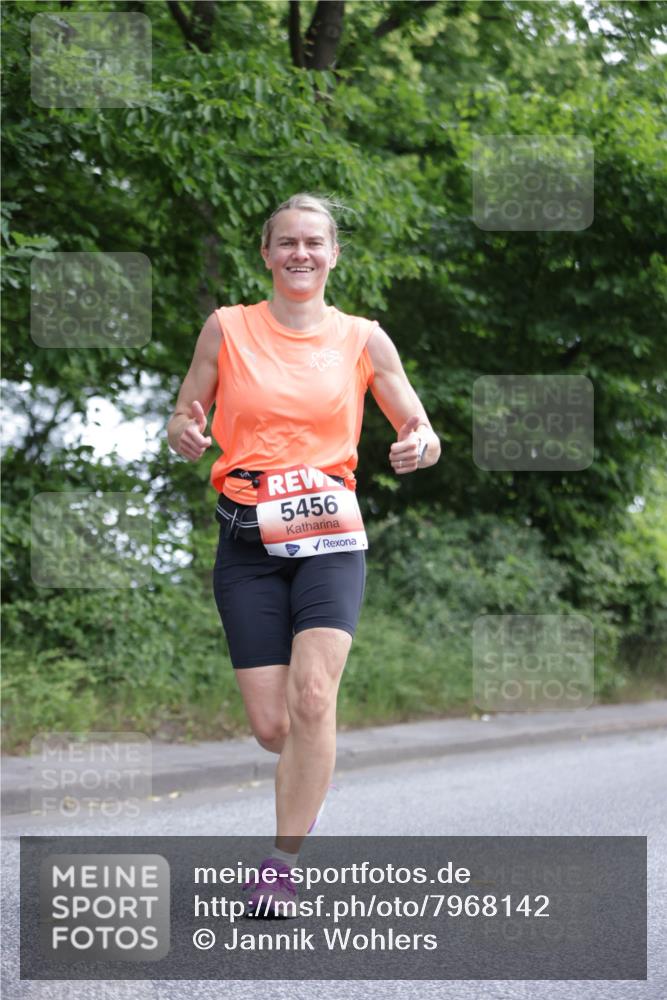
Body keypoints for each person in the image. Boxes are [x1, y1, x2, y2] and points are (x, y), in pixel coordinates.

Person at [167, 192, 440, 915]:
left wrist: (418, 443)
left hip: (328, 536)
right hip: (246, 536)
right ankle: (308, 780)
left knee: (314, 697)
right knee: (275, 728)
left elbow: (420, 426)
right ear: (266, 253)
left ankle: (281, 865)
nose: (300, 253)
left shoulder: (363, 339)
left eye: (314, 242)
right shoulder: (227, 328)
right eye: (287, 241)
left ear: (333, 255)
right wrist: (184, 432)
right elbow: (185, 412)